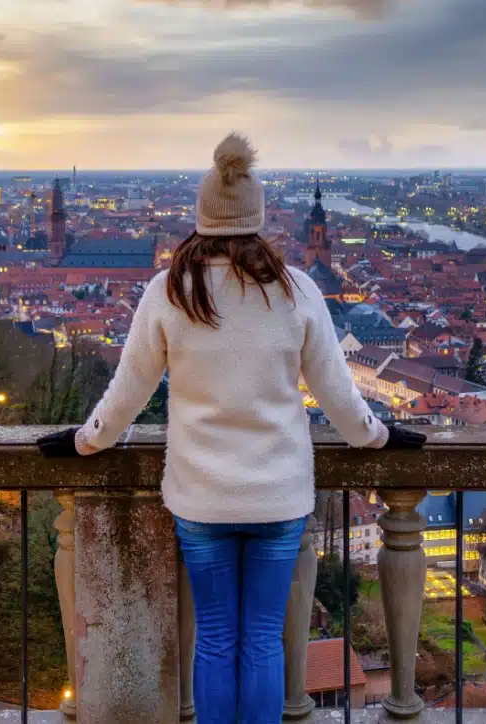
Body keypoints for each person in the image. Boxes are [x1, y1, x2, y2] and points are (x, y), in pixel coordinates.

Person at [37, 133, 425, 724]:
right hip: (278, 495)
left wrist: (84, 440)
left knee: (216, 641)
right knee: (264, 640)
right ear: (258, 216)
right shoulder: (296, 291)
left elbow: (127, 396)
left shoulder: (169, 291)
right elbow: (341, 400)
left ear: (202, 216)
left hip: (202, 498)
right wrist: (381, 436)